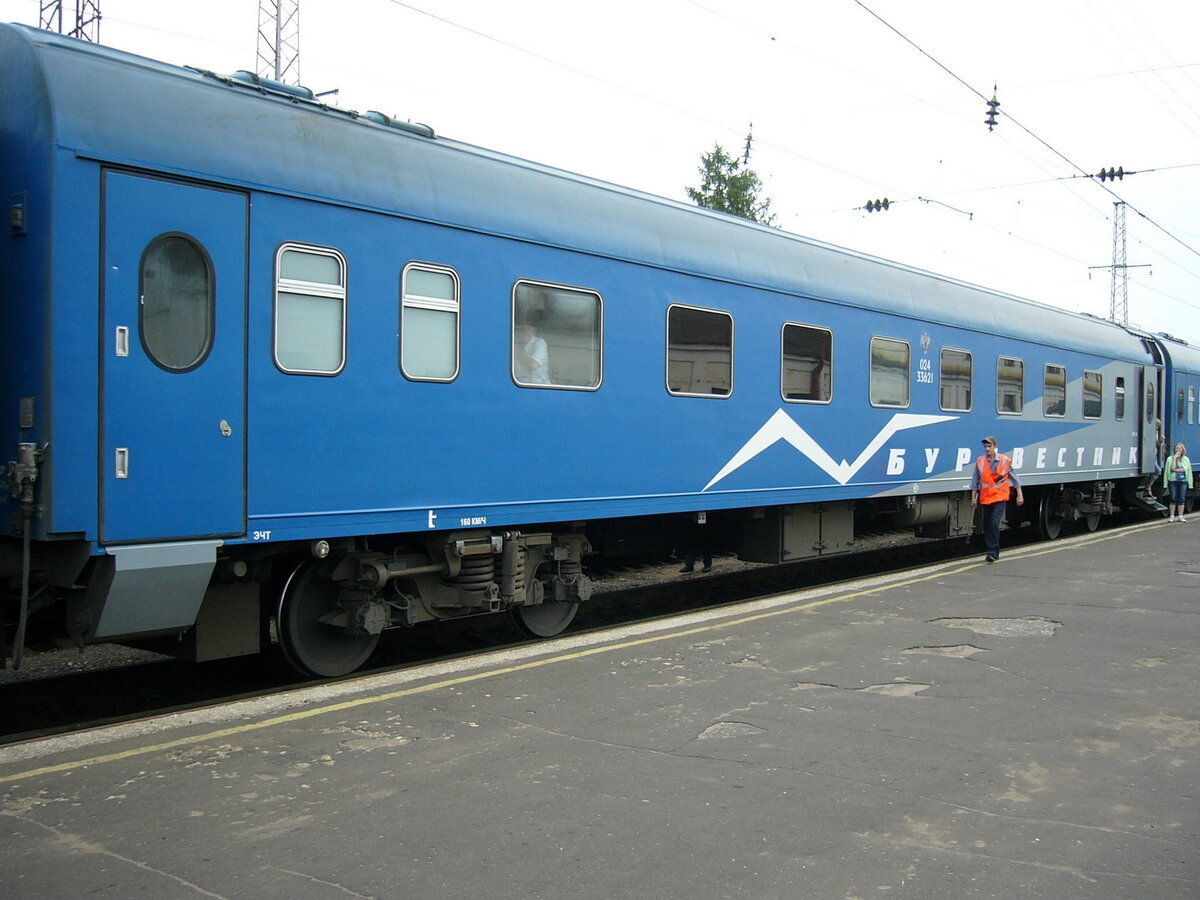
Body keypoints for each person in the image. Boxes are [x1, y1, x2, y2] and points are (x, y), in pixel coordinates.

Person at [970, 435, 1024, 563]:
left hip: (1000, 497)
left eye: (989, 446)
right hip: (986, 498)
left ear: (995, 446)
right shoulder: (980, 461)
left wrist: (1019, 494)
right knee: (987, 525)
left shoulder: (1004, 461)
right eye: (985, 446)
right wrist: (973, 497)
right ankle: (991, 550)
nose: (987, 448)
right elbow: (975, 480)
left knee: (994, 522)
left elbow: (1015, 478)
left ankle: (993, 552)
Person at [1164, 442, 1192, 522]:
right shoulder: (1170, 459)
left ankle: (1180, 516)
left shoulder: (1186, 459)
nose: (1178, 450)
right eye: (1176, 448)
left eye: (1179, 448)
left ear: (1183, 450)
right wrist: (1174, 459)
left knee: (1182, 498)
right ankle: (1172, 516)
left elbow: (1185, 469)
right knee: (1173, 497)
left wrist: (1175, 470)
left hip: (1183, 481)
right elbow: (1171, 468)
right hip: (1173, 480)